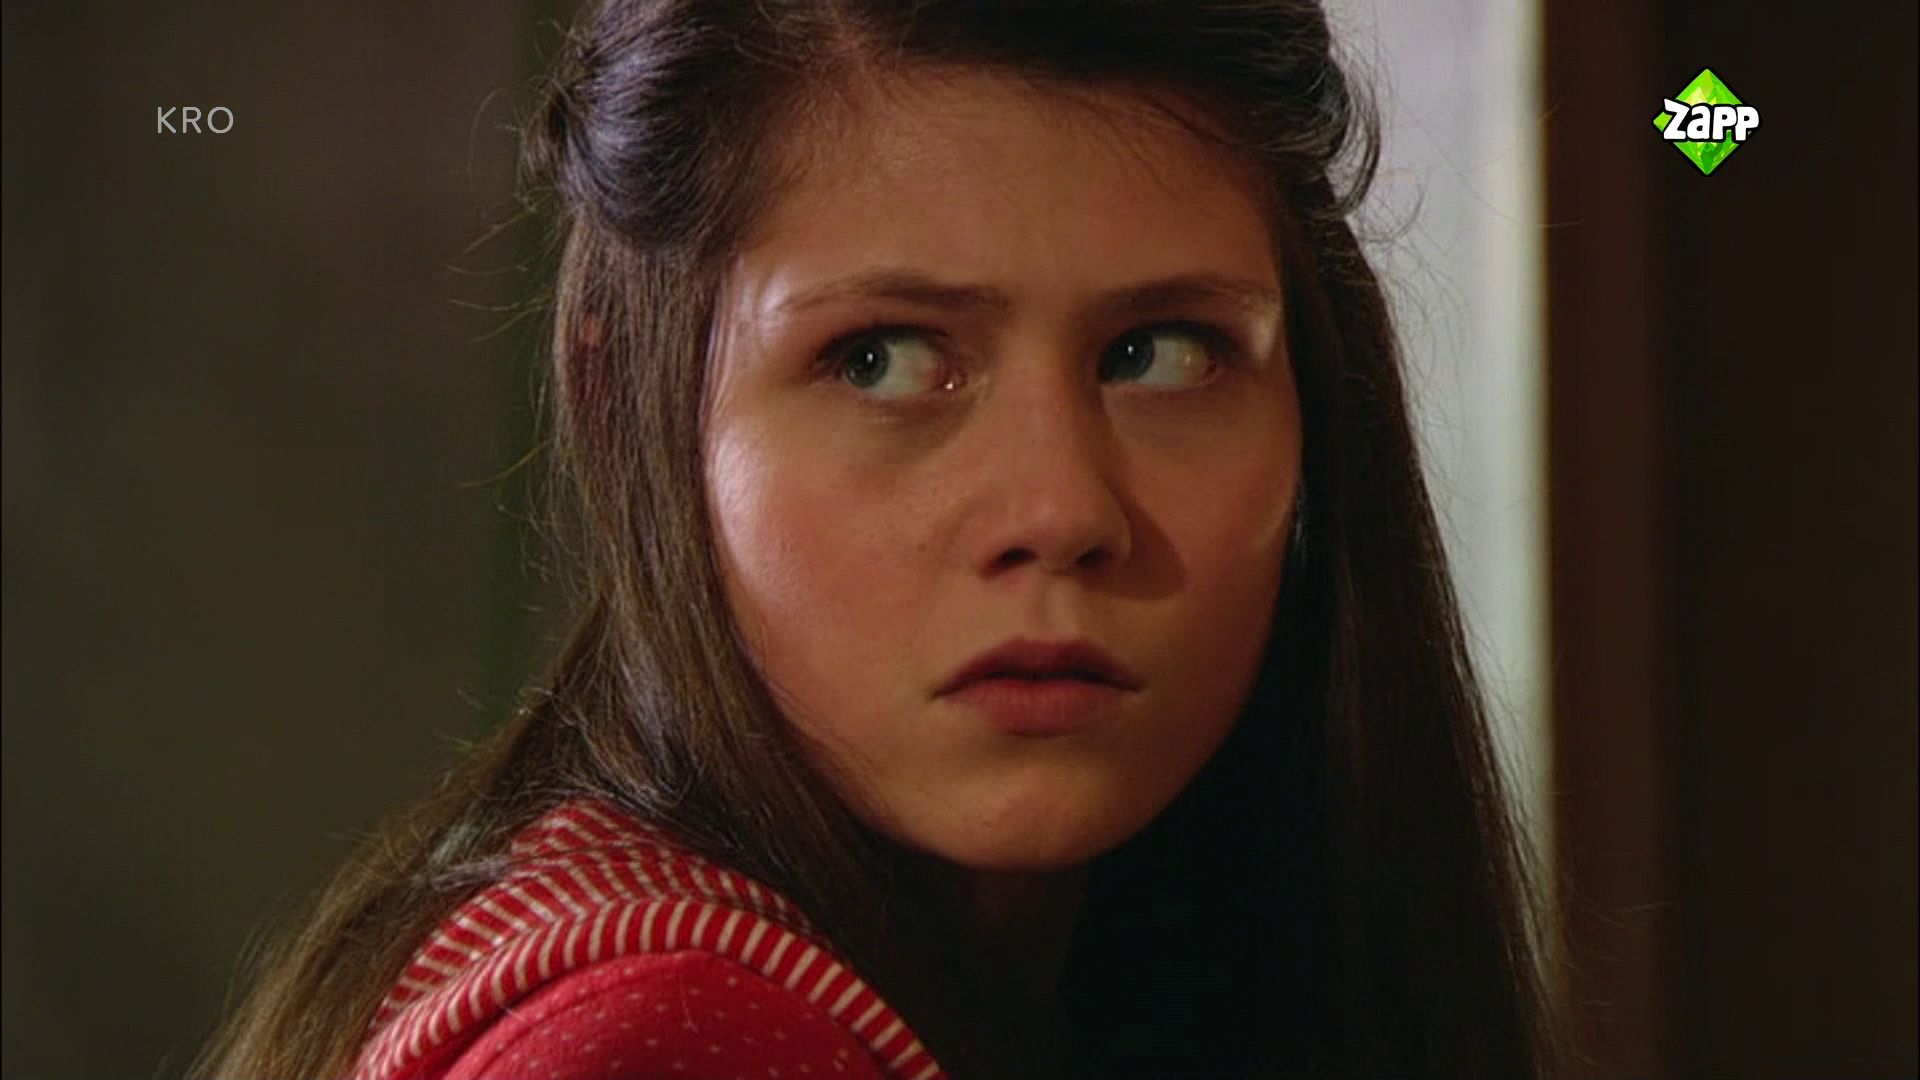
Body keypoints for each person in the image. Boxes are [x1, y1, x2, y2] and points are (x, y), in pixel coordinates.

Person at [197, 2, 1559, 1077]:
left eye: (1161, 354)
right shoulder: (673, 1050)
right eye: (885, 360)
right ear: (627, 410)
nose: (1061, 512)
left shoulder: (1142, 968)